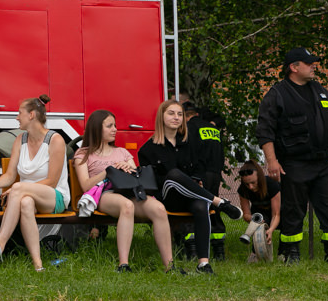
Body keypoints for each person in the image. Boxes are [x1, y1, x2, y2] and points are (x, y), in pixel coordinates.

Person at [256, 47, 328, 264]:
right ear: (294, 67)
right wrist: (271, 161)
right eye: (309, 63)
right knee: (293, 210)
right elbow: (265, 131)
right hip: (294, 164)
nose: (314, 66)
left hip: (323, 163)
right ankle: (291, 254)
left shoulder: (320, 90)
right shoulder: (277, 94)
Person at [138, 100, 243, 274]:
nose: (176, 117)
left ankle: (203, 263)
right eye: (171, 113)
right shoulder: (148, 149)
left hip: (189, 196)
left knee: (201, 205)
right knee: (173, 174)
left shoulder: (191, 143)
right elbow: (151, 182)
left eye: (179, 114)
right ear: (161, 117)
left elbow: (200, 168)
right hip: (166, 198)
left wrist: (197, 180)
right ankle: (220, 203)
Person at [74, 109, 179, 273]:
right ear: (96, 128)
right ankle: (124, 264)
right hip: (105, 194)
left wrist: (127, 168)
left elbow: (137, 175)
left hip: (130, 191)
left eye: (114, 125)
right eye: (109, 126)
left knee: (159, 209)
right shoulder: (83, 154)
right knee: (126, 206)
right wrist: (109, 171)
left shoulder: (122, 152)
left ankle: (170, 266)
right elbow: (85, 185)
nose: (115, 129)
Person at [0, 95, 70, 271]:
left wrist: (20, 187)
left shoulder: (56, 140)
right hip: (24, 195)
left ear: (31, 115)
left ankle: (0, 243)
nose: (16, 117)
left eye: (19, 113)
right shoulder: (19, 140)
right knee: (25, 202)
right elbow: (10, 175)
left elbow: (52, 181)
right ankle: (38, 264)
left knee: (19, 190)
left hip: (54, 196)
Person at [183, 101, 227, 260]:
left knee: (194, 207)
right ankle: (219, 250)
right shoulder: (212, 128)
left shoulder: (190, 127)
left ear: (186, 117)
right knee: (214, 207)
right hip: (215, 173)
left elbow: (191, 151)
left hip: (199, 173)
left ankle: (193, 250)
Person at [236, 159, 281, 259]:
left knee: (287, 223)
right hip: (260, 213)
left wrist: (271, 230)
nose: (250, 187)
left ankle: (284, 253)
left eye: (253, 182)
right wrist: (253, 219)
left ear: (259, 177)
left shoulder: (272, 184)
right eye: (247, 184)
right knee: (257, 225)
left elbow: (276, 214)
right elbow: (246, 214)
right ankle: (255, 254)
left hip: (279, 212)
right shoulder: (242, 189)